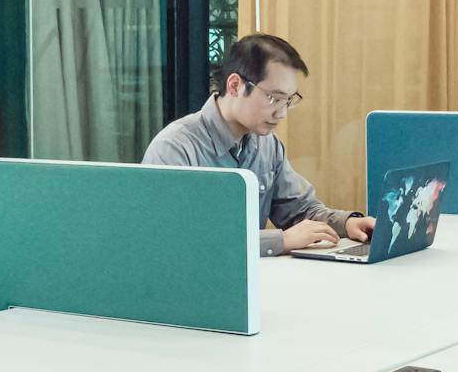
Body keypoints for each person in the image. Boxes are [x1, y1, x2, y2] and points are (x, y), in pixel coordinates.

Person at [143, 34, 376, 257]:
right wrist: (279, 242)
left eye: (289, 100)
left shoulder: (267, 144)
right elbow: (176, 240)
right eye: (274, 98)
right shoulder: (174, 148)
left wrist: (348, 223)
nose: (282, 113)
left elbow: (300, 209)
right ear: (234, 85)